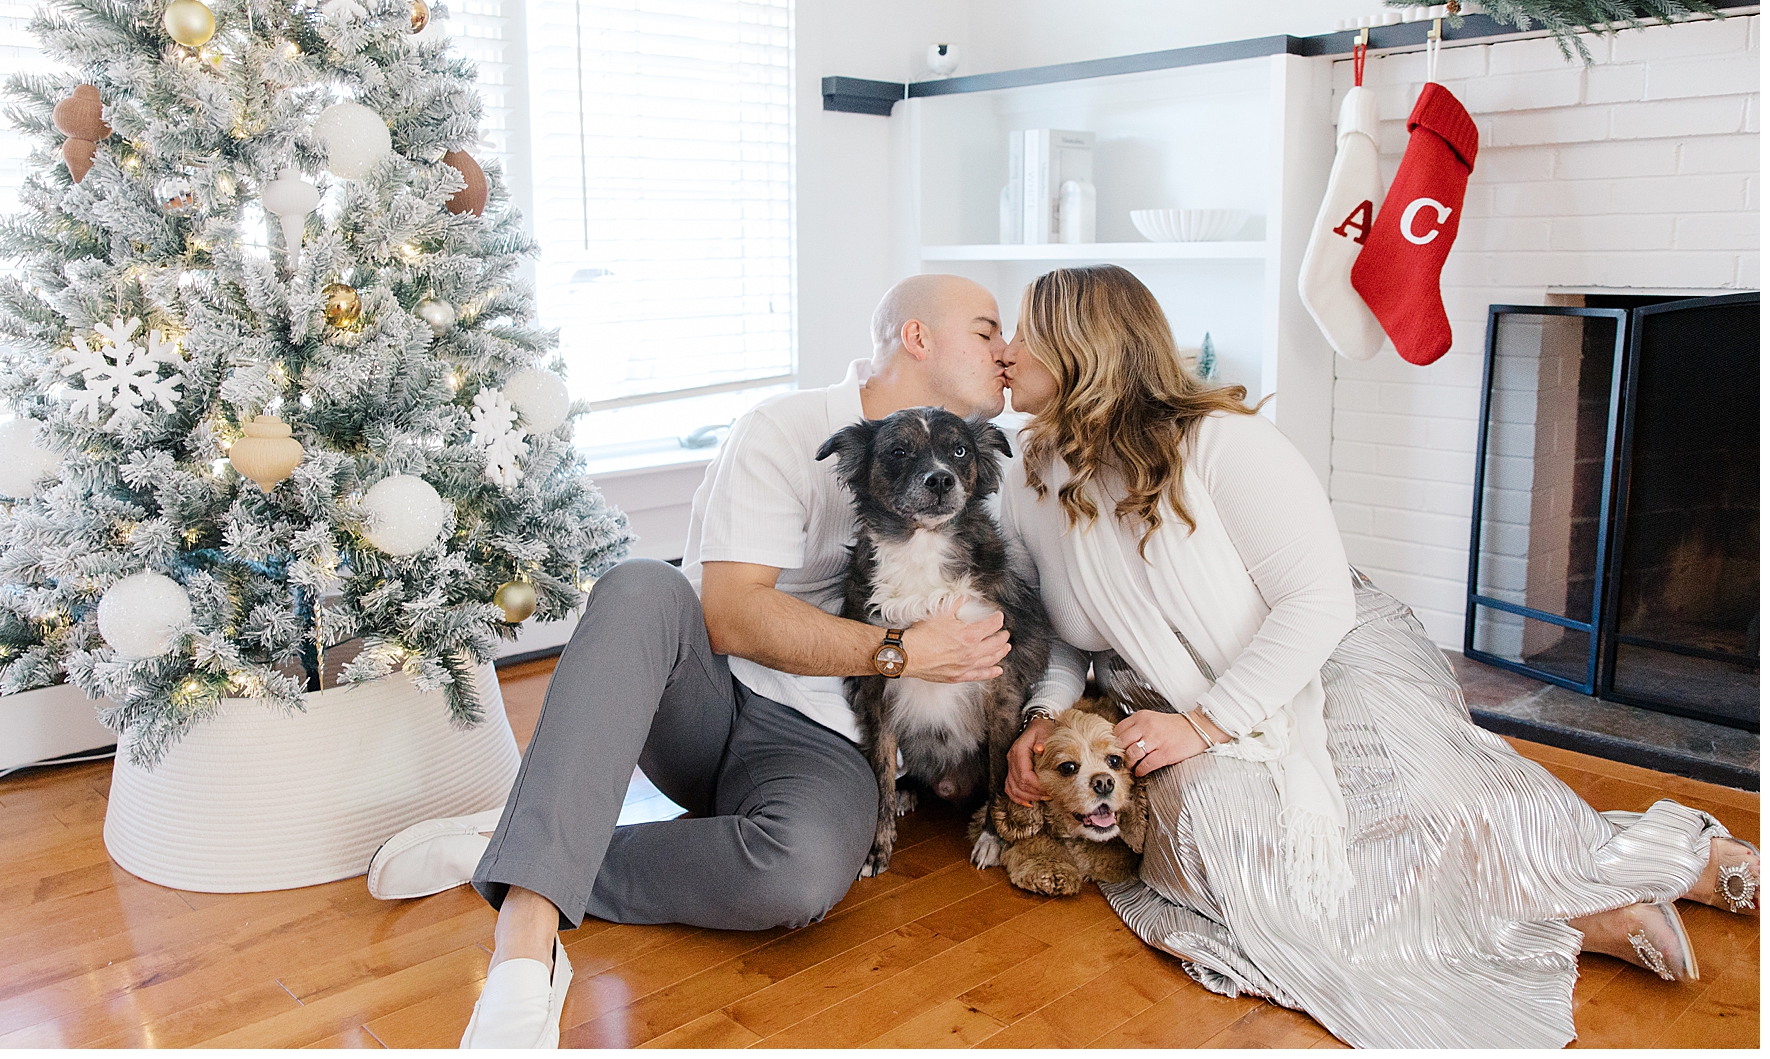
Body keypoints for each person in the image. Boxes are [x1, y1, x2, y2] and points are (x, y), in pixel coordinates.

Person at [995, 265, 1760, 1049]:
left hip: (1322, 650)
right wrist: (1046, 717)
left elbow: (1317, 602)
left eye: (1023, 330)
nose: (1007, 351)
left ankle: (1638, 873)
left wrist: (1209, 720)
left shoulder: (1225, 444)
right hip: (1161, 696)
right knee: (1223, 844)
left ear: (1080, 346)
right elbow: (1062, 634)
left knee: (1422, 788)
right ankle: (1560, 905)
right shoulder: (1025, 482)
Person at [390, 274, 1017, 1048]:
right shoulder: (784, 429)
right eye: (989, 330)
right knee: (641, 587)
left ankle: (523, 845)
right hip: (711, 698)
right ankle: (523, 950)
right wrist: (899, 650)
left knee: (798, 876)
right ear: (918, 337)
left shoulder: (981, 470)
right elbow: (727, 614)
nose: (1007, 351)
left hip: (824, 737)